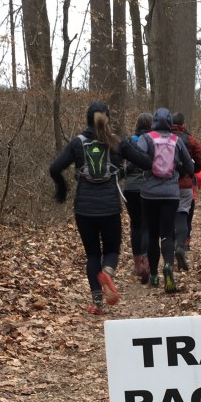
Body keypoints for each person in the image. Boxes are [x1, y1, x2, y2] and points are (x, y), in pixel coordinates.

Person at [49, 101, 127, 316]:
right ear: (108, 119)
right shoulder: (116, 144)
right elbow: (143, 161)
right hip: (110, 206)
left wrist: (62, 190)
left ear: (87, 119)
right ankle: (107, 272)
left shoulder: (77, 143)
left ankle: (96, 303)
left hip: (84, 208)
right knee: (111, 251)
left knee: (92, 253)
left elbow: (54, 168)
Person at [134, 107, 194, 293]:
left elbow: (135, 160)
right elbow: (190, 166)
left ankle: (153, 275)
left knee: (152, 234)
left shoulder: (146, 139)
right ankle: (168, 266)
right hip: (171, 193)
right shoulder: (176, 141)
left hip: (149, 193)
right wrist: (181, 169)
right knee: (168, 233)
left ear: (154, 122)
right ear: (169, 122)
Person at [170, 112, 201, 269]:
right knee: (184, 215)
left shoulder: (163, 138)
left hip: (166, 184)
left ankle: (170, 247)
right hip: (185, 184)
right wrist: (192, 170)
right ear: (184, 124)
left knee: (169, 215)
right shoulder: (190, 140)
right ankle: (183, 245)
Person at [122, 113, 153, 284]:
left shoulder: (128, 141)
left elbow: (124, 163)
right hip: (147, 187)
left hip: (130, 188)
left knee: (135, 224)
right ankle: (146, 260)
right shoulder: (152, 141)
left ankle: (136, 265)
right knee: (146, 224)